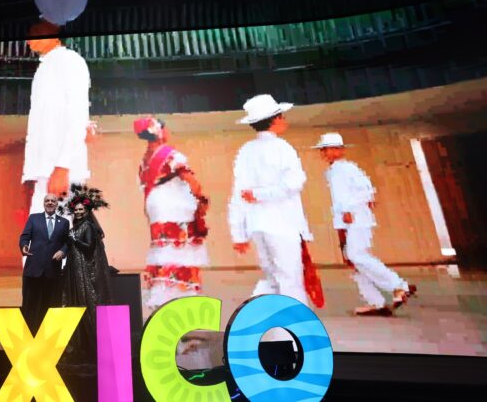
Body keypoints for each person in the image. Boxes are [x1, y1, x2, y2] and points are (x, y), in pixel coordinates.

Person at [313, 132, 416, 316]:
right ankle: (376, 302)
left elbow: (367, 190)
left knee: (357, 255)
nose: (326, 153)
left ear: (340, 150)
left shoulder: (348, 168)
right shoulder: (331, 172)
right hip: (344, 220)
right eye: (324, 149)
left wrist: (349, 209)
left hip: (356, 218)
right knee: (353, 262)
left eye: (330, 149)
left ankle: (400, 286)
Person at [228, 94, 314, 306]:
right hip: (282, 223)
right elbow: (294, 183)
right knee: (290, 279)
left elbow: (238, 194)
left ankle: (260, 316)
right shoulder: (282, 147)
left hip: (257, 224)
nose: (284, 120)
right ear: (275, 119)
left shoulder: (245, 151)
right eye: (282, 116)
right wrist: (261, 195)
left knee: (272, 278)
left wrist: (238, 233)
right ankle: (296, 322)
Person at [134, 117, 210, 310]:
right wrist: (201, 199)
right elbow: (189, 178)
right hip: (175, 209)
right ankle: (181, 298)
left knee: (164, 253)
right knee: (180, 253)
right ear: (159, 131)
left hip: (157, 210)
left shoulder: (144, 161)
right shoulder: (170, 155)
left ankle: (163, 297)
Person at [22, 20, 93, 214]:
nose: (28, 41)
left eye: (33, 33)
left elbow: (77, 113)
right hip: (47, 171)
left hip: (61, 171)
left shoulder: (69, 61)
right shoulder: (45, 67)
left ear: (51, 31)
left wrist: (63, 166)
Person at [59, 185, 113, 364]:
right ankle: (82, 346)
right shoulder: (78, 225)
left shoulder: (88, 226)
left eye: (81, 210)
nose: (78, 212)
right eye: (76, 210)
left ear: (87, 211)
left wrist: (74, 239)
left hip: (83, 273)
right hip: (76, 270)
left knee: (87, 305)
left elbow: (89, 248)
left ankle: (93, 347)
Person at [19, 193, 70, 335]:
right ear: (43, 203)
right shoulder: (33, 218)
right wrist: (24, 246)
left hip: (53, 271)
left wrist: (62, 251)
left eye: (53, 201)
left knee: (50, 306)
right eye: (47, 200)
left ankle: (47, 336)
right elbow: (25, 237)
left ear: (57, 204)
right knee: (30, 305)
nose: (50, 203)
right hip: (33, 270)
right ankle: (29, 335)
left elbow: (67, 242)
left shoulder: (64, 222)